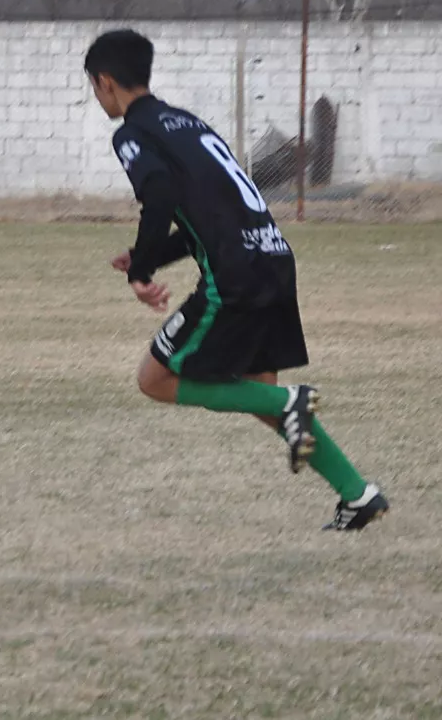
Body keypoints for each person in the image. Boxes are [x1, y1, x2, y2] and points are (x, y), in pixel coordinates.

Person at [84, 28, 388, 531]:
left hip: (236, 276)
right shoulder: (189, 125)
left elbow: (157, 194)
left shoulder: (134, 133)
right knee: (262, 397)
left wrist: (140, 272)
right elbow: (214, 214)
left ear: (106, 81)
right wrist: (149, 253)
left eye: (95, 88)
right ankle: (358, 495)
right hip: (272, 258)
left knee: (155, 379)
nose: (98, 98)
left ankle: (290, 402)